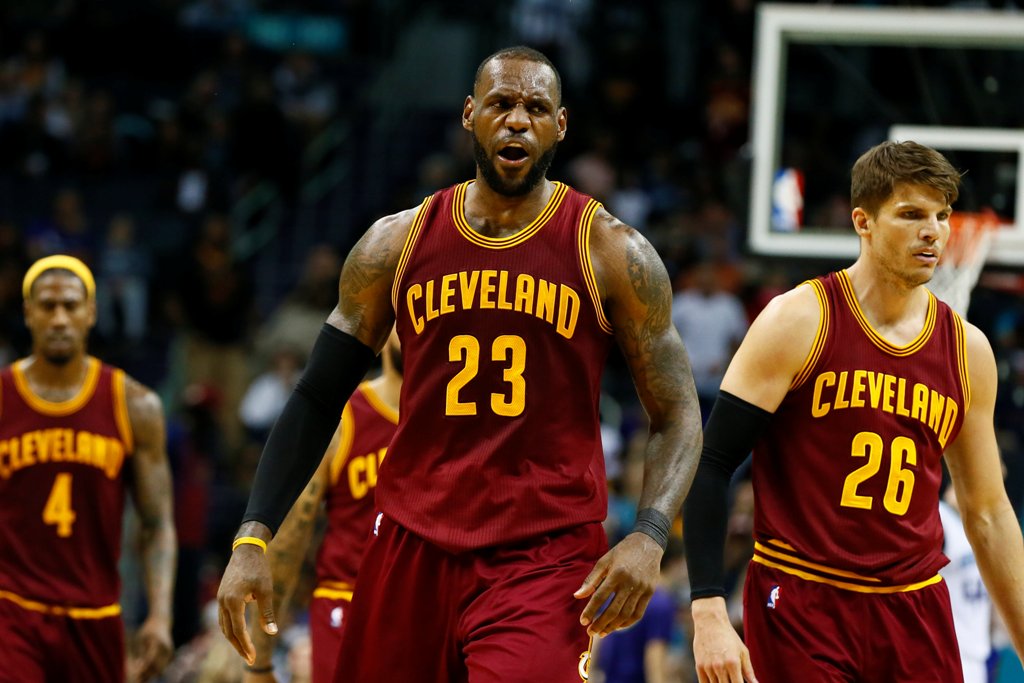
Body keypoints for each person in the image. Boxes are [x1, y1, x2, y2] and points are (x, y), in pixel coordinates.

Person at [217, 45, 703, 683]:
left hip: (542, 552)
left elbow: (679, 412)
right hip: (412, 543)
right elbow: (315, 397)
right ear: (470, 114)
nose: (517, 120)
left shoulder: (611, 251)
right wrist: (253, 537)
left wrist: (649, 532)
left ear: (561, 126)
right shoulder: (397, 242)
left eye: (536, 107)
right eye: (501, 103)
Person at [683, 140, 1024, 682]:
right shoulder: (799, 320)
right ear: (862, 221)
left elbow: (986, 512)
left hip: (914, 606)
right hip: (803, 598)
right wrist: (707, 609)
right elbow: (711, 462)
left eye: (941, 215)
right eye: (911, 214)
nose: (932, 231)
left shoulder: (967, 351)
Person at [0, 254, 176, 682]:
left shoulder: (134, 405)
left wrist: (160, 616)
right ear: (28, 314)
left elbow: (157, 523)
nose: (59, 319)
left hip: (94, 613)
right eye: (47, 306)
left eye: (70, 306)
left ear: (91, 312)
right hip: (12, 609)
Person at [242, 330, 401, 683]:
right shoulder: (345, 416)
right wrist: (260, 662)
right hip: (347, 603)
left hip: (427, 607)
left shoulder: (458, 418)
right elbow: (288, 536)